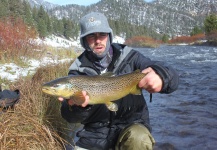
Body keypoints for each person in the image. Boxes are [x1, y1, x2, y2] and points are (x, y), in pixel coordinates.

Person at [58, 12, 179, 150]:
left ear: (109, 36)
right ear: (84, 41)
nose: (98, 40)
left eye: (102, 34)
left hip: (131, 130)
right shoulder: (77, 72)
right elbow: (69, 117)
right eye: (91, 36)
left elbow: (172, 77)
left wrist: (161, 76)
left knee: (138, 138)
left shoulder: (131, 57)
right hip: (94, 137)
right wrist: (78, 107)